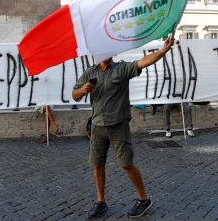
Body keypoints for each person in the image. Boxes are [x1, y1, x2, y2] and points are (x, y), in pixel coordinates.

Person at [72, 36, 174, 219]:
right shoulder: (89, 73)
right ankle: (100, 202)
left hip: (118, 126)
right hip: (97, 126)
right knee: (97, 165)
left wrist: (162, 51)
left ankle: (143, 199)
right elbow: (74, 95)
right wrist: (83, 90)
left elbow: (143, 62)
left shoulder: (122, 69)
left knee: (126, 164)